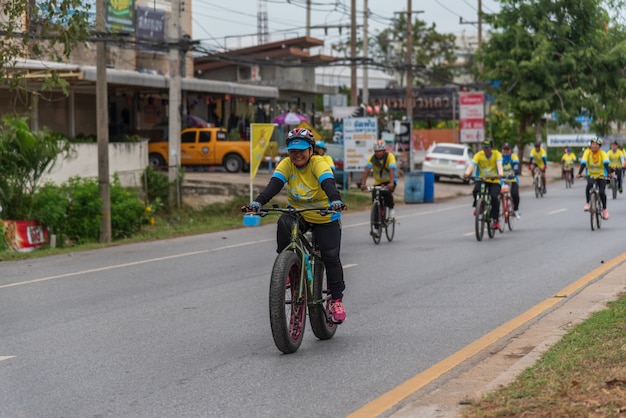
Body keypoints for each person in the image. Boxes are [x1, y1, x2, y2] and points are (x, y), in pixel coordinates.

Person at [243, 128, 347, 323]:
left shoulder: (319, 163)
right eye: (293, 151)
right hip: (299, 213)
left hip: (325, 215)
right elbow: (274, 185)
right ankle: (289, 265)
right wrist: (258, 202)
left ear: (311, 150)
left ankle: (337, 300)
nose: (297, 155)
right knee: (284, 222)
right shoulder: (286, 164)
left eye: (301, 150)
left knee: (331, 256)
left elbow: (328, 183)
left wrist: (335, 199)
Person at [463, 139, 504, 229]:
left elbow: (499, 164)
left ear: (492, 148)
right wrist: (467, 173)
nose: (486, 150)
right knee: (475, 191)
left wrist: (500, 173)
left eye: (488, 148)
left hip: (494, 181)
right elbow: (472, 164)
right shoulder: (479, 155)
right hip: (482, 179)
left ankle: (495, 220)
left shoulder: (497, 154)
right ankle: (478, 207)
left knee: (494, 197)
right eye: (484, 148)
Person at [360, 139, 398, 219]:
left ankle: (391, 209)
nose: (379, 153)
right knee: (375, 198)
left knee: (387, 193)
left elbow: (391, 169)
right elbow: (367, 170)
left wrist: (391, 183)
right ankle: (376, 226)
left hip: (390, 180)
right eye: (377, 151)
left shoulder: (390, 156)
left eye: (380, 151)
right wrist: (363, 184)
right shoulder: (372, 158)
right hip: (378, 182)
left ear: (384, 150)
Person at [576, 137, 611, 220]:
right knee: (589, 185)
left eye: (596, 144)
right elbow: (583, 163)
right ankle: (587, 203)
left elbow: (606, 164)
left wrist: (609, 173)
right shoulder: (587, 153)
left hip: (601, 175)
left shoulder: (602, 153)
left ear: (599, 146)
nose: (594, 146)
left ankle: (604, 209)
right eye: (592, 144)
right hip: (591, 175)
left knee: (602, 192)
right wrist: (579, 173)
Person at [501, 142, 521, 219]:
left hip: (512, 178)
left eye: (507, 149)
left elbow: (516, 164)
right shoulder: (499, 157)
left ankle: (516, 210)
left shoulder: (513, 156)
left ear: (510, 150)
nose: (506, 151)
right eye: (504, 149)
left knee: (515, 194)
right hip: (501, 179)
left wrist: (516, 170)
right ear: (502, 150)